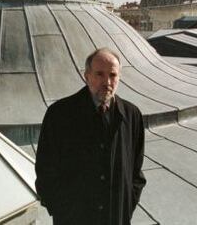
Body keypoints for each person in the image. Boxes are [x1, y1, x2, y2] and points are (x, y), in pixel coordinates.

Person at [35, 48, 146, 225]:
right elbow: (45, 170)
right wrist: (62, 210)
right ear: (86, 76)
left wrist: (126, 206)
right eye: (100, 74)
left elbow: (135, 173)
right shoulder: (60, 115)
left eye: (112, 75)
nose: (107, 82)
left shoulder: (132, 116)